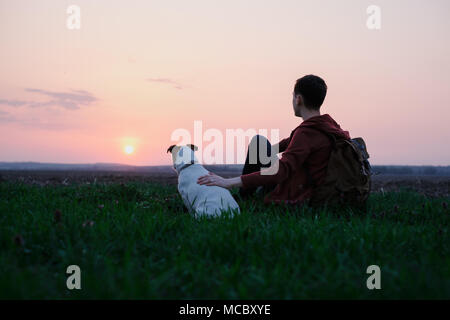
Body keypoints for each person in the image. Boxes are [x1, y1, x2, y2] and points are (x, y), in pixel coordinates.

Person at [197, 75, 351, 205]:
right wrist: (259, 153)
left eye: (292, 96)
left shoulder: (307, 133)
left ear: (298, 99)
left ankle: (243, 198)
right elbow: (288, 143)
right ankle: (246, 194)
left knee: (258, 141)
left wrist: (228, 182)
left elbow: (279, 172)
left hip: (302, 194)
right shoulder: (327, 126)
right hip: (323, 189)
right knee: (260, 144)